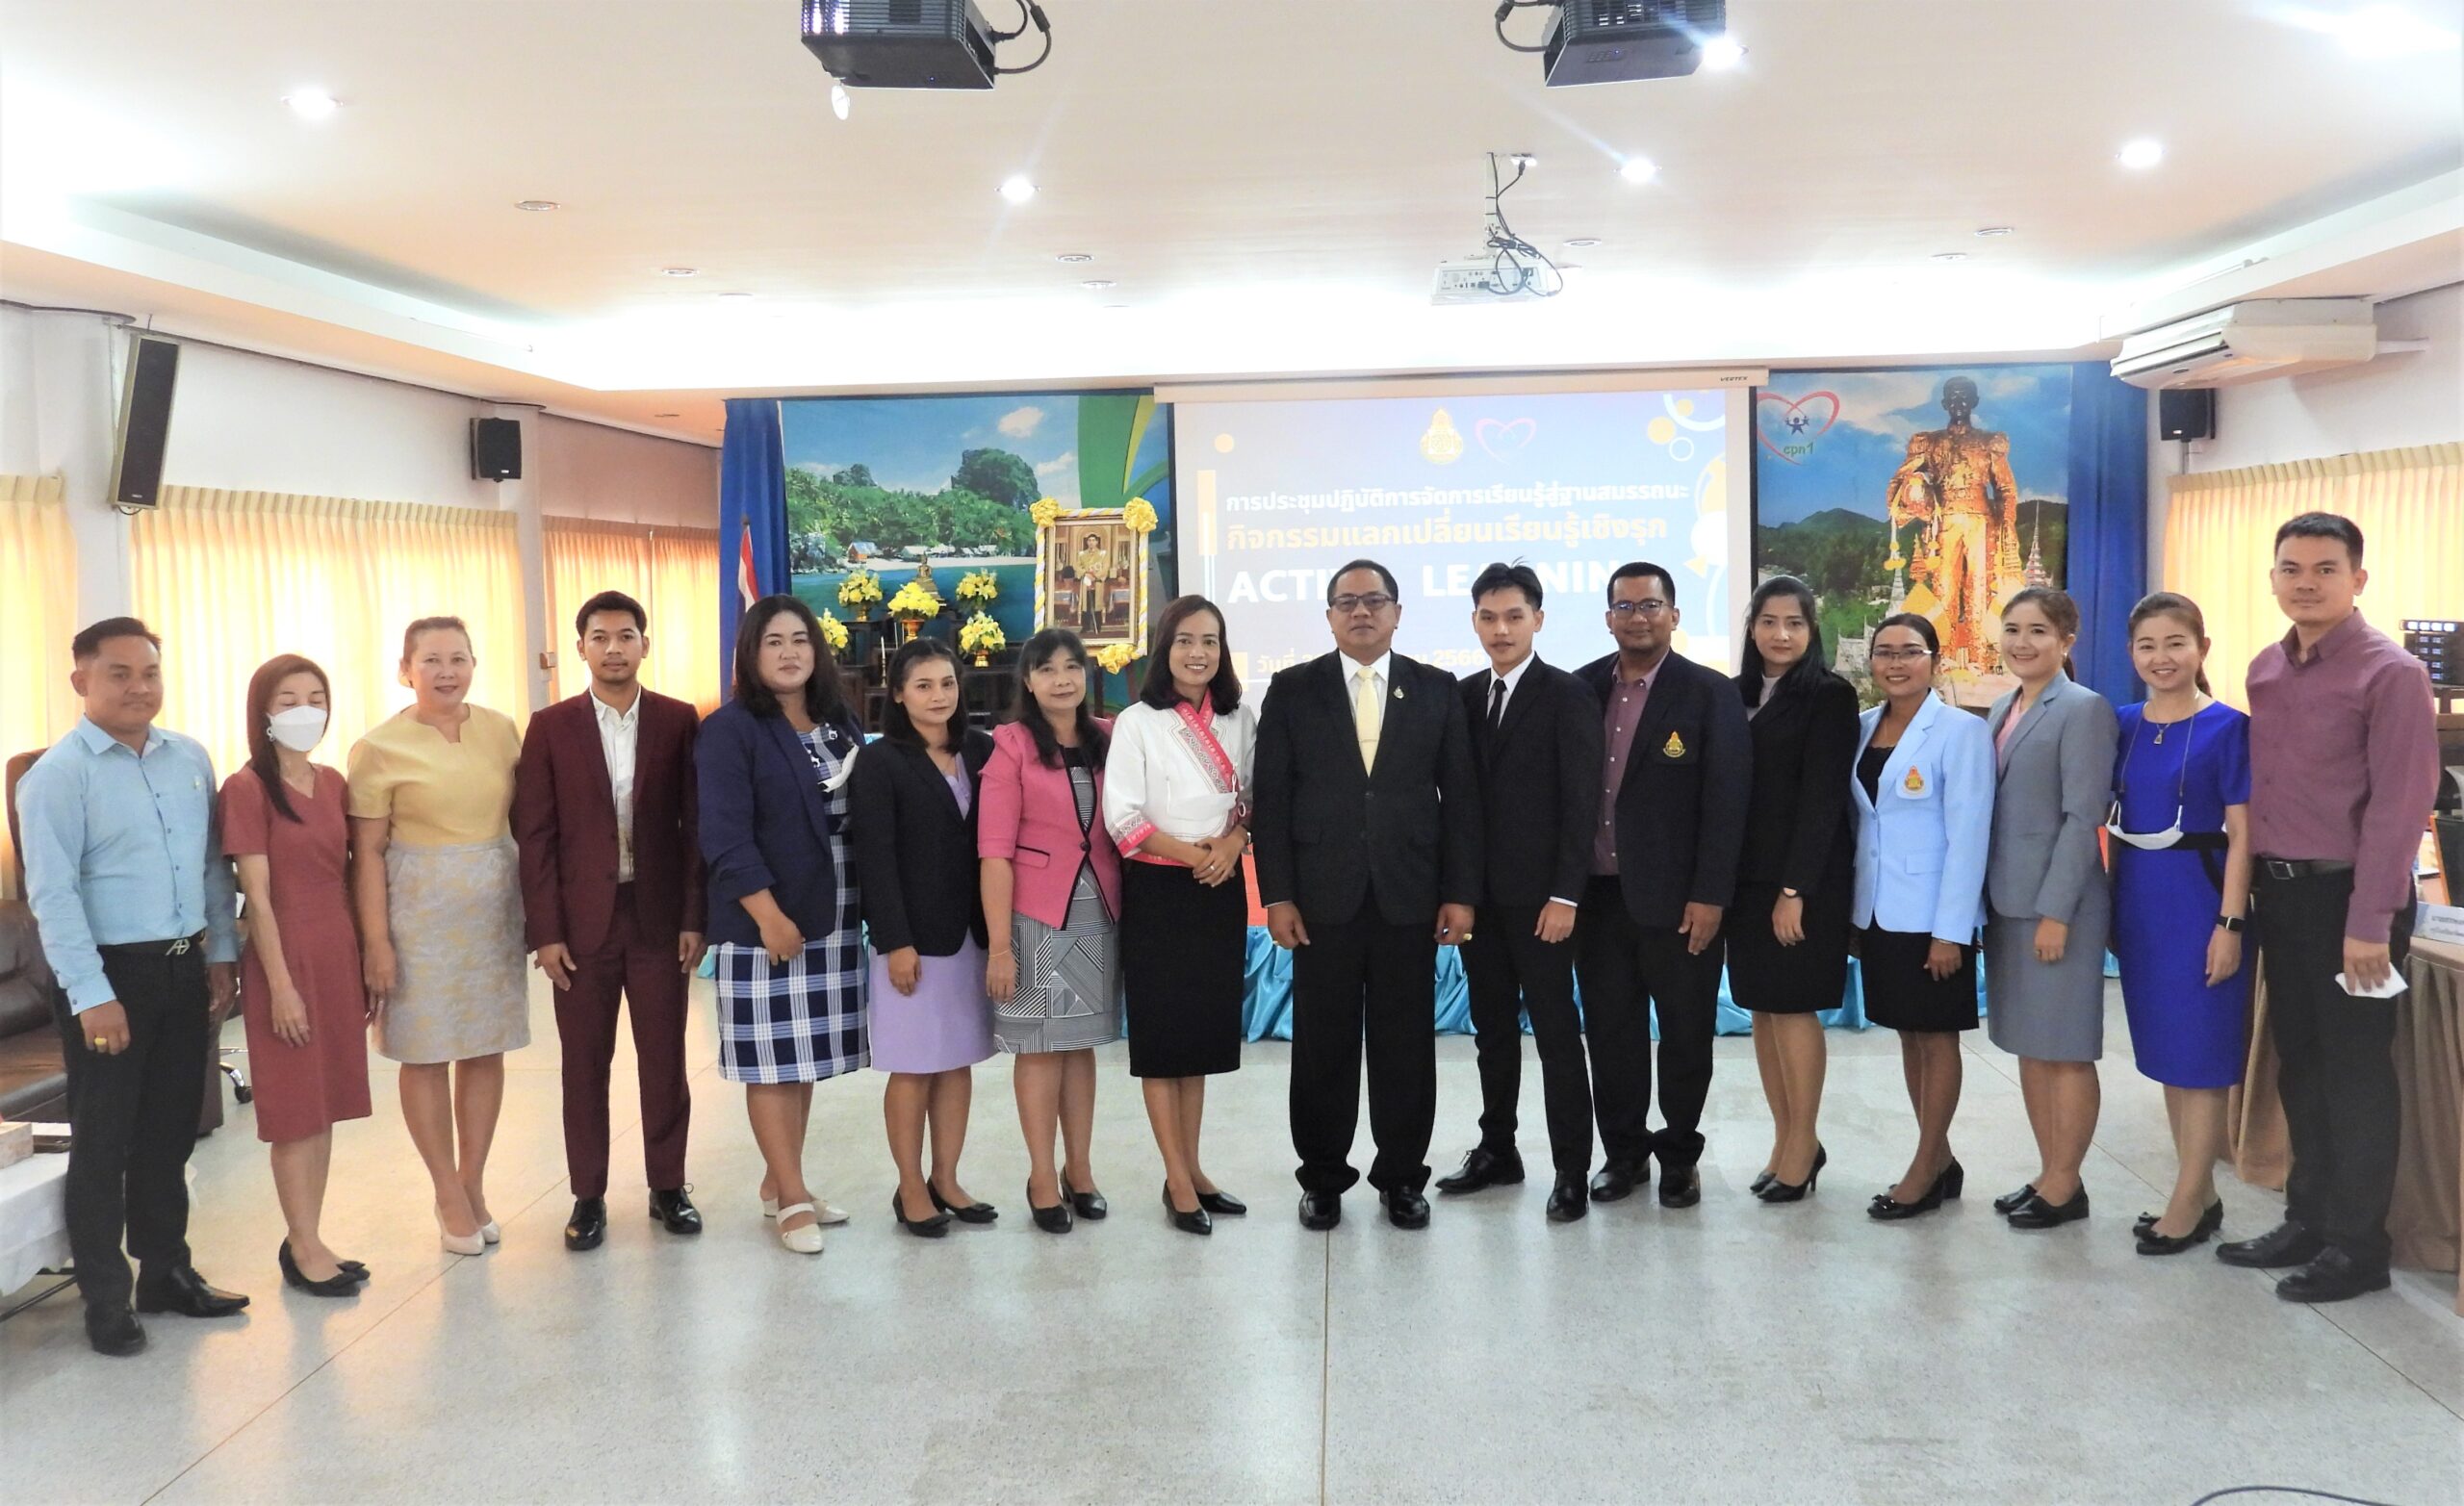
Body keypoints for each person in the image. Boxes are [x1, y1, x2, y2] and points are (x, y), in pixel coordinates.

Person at [2220, 513, 2437, 1302]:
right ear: (2273, 578)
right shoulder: (2265, 669)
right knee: (2302, 1063)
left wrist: (2369, 922)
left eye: (2325, 568)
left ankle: (2358, 1246)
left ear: (2358, 579)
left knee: (2355, 1074)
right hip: (2284, 896)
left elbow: (2400, 806)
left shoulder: (2391, 673)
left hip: (2355, 900)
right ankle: (2307, 1218)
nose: (2306, 582)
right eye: (2291, 568)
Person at [17, 618, 247, 1355]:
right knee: (105, 1141)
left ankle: (166, 1273)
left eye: (149, 672)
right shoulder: (57, 776)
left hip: (184, 966)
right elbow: (52, 896)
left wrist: (222, 951)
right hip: (110, 975)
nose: (138, 687)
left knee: (170, 1131)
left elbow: (211, 864)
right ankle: (105, 1300)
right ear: (81, 680)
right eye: (119, 673)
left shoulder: (189, 757)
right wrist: (91, 994)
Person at [1252, 559, 1481, 1232]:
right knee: (1321, 1045)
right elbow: (1273, 799)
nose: (1361, 611)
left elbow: (1461, 798)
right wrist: (1277, 895)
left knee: (1404, 1044)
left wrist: (1460, 893)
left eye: (1375, 600)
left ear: (1397, 613)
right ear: (1329, 616)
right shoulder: (1293, 689)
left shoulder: (1435, 688)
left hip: (1409, 895)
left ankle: (1402, 1177)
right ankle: (1323, 1177)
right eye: (1347, 602)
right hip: (1320, 900)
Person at [514, 590, 707, 1254]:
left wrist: (694, 916)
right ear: (581, 648)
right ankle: (588, 1196)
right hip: (579, 928)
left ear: (644, 645)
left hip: (658, 920)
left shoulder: (678, 720)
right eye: (600, 637)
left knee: (665, 1060)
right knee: (583, 1064)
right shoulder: (550, 727)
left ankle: (668, 1185)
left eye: (626, 636)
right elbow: (536, 836)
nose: (614, 648)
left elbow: (693, 827)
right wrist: (545, 932)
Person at [348, 617, 530, 1256]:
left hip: (492, 909)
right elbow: (367, 855)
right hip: (417, 915)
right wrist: (376, 941)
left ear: (474, 664)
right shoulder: (377, 748)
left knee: (484, 1048)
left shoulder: (502, 730)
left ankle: (472, 1181)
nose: (446, 671)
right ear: (406, 670)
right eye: (431, 660)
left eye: (458, 658)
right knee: (424, 1053)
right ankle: (444, 1189)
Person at [1574, 562, 1750, 1210]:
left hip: (1681, 903)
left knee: (1684, 1033)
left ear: (1674, 615)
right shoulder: (1581, 687)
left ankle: (1678, 1156)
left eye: (1650, 605)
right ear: (1608, 618)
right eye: (1624, 606)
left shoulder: (1709, 692)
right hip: (1598, 897)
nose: (1638, 617)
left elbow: (1727, 802)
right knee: (1611, 1033)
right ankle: (1623, 1155)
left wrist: (1711, 895)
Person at [697, 594, 869, 1256]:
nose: (789, 652)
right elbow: (724, 835)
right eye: (773, 642)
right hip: (765, 918)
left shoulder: (837, 720)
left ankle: (781, 1180)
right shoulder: (730, 728)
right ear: (750, 653)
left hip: (833, 912)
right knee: (771, 1060)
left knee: (802, 1057)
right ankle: (793, 1198)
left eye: (799, 639)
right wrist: (768, 916)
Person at [1433, 563, 1602, 1222]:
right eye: (1488, 617)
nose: (1500, 629)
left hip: (1543, 905)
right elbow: (1456, 805)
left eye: (1513, 616)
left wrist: (1566, 895)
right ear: (1474, 621)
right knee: (1492, 1033)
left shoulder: (1568, 694)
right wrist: (1457, 892)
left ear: (1538, 619)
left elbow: (1581, 804)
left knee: (1557, 1034)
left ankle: (1571, 1169)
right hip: (1480, 902)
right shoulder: (1462, 696)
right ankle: (1497, 1150)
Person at [1103, 596, 1256, 1236]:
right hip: (1160, 890)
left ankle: (1193, 1169)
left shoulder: (1240, 717)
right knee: (1164, 1042)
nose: (1198, 652)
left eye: (1210, 641)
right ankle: (1175, 1178)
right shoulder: (1138, 721)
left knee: (1199, 1041)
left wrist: (1231, 844)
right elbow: (1123, 818)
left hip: (1219, 887)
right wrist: (1198, 855)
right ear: (1165, 648)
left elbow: (1251, 800)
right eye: (1186, 640)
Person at [2108, 592, 2253, 1256]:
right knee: (2170, 1054)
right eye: (2147, 645)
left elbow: (2244, 836)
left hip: (2201, 900)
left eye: (2175, 643)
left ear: (2202, 649)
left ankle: (2188, 1199)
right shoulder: (2123, 723)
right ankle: (2201, 1191)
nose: (2161, 657)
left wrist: (2230, 922)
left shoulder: (2229, 727)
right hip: (2141, 902)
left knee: (2203, 1054)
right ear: (2131, 653)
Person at [221, 654, 371, 1296]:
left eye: (316, 698)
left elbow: (351, 874)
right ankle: (302, 1242)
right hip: (284, 957)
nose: (305, 710)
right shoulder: (246, 788)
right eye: (288, 700)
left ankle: (309, 1235)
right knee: (293, 1110)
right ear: (263, 712)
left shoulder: (333, 782)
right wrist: (280, 986)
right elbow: (256, 897)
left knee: (325, 1102)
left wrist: (363, 960)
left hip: (336, 951)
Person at [1981, 587, 2118, 1231]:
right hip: (2008, 902)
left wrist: (2057, 912)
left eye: (2038, 630)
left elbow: (2082, 817)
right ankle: (2049, 1171)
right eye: (2012, 629)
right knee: (2030, 1045)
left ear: (2067, 639)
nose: (2022, 642)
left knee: (2065, 1048)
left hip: (2058, 907)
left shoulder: (2084, 708)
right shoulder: (2003, 706)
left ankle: (2067, 1182)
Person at [851, 638, 998, 1238]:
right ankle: (910, 1186)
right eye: (923, 685)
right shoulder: (880, 762)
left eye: (947, 683)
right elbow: (875, 858)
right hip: (913, 941)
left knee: (956, 1061)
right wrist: (895, 942)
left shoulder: (981, 749)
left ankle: (947, 1178)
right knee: (913, 1066)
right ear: (899, 695)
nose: (939, 696)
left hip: (971, 934)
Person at [980, 627, 1122, 1234]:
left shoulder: (1109, 736)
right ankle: (1042, 1175)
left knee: (1079, 1045)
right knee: (1039, 1049)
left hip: (1099, 909)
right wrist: (1000, 947)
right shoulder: (1010, 745)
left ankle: (1079, 1170)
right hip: (1034, 915)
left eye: (1072, 667)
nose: (1062, 679)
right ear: (1028, 681)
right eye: (1047, 669)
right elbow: (994, 852)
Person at [1851, 614, 1993, 1220]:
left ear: (1934, 659)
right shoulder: (1861, 727)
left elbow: (1969, 835)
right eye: (1884, 652)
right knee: (1910, 1036)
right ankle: (1941, 1157)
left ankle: (1925, 1166)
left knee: (1936, 1038)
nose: (1896, 663)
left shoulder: (1961, 731)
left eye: (1910, 651)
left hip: (1933, 917)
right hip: (1879, 911)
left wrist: (1950, 932)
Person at [1729, 576, 1860, 1204]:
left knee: (1794, 1006)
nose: (1781, 634)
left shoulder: (1829, 696)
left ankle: (1804, 1142)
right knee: (1762, 1007)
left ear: (1812, 631)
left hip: (1801, 883)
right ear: (1752, 627)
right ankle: (1785, 1139)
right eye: (1769, 621)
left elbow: (1821, 800)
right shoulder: (1734, 693)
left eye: (1795, 623)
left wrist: (1794, 889)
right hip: (1744, 881)